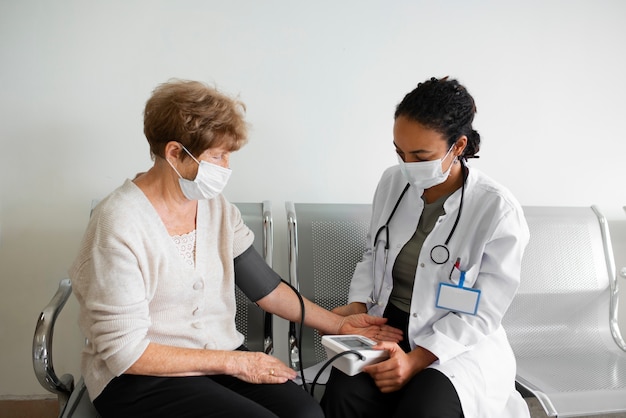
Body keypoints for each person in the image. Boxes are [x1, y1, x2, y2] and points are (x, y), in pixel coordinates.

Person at [69, 79, 401, 418]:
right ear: (174, 153)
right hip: (141, 376)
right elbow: (125, 352)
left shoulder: (215, 207)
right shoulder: (119, 224)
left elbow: (267, 288)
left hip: (218, 360)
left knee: (306, 415)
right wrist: (237, 362)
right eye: (217, 155)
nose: (225, 167)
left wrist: (339, 325)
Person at [321, 77, 531, 418]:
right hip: (386, 323)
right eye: (399, 152)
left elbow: (483, 311)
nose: (407, 165)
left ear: (459, 146)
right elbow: (374, 253)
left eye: (420, 155)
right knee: (344, 394)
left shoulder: (497, 209)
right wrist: (357, 307)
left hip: (454, 337)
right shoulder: (392, 182)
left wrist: (416, 360)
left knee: (424, 408)